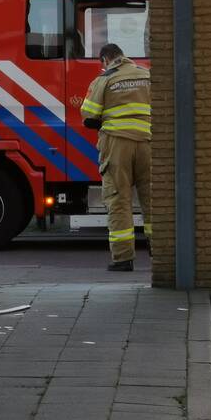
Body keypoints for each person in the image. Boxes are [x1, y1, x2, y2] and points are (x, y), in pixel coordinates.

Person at [81, 43, 152, 271]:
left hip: (117, 145)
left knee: (119, 199)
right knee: (154, 200)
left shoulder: (105, 79)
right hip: (149, 143)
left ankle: (123, 258)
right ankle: (161, 251)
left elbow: (89, 116)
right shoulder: (146, 75)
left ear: (105, 60)